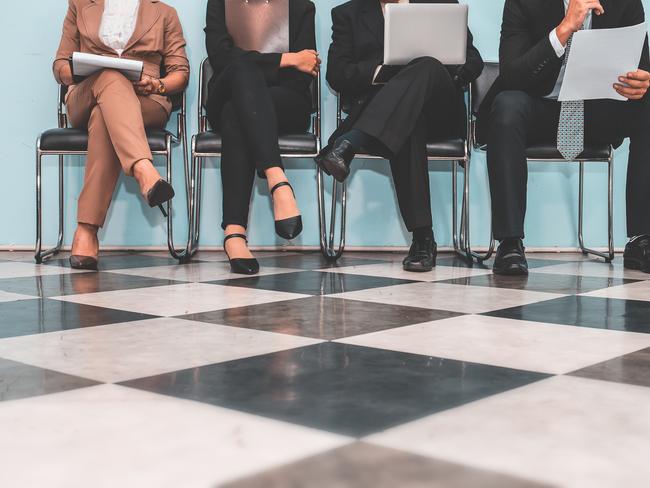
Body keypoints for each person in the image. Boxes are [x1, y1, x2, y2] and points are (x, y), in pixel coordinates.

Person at [478, 0, 650, 275]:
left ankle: (642, 240)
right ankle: (510, 242)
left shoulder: (625, 2)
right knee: (508, 105)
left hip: (596, 110)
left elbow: (641, 65)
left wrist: (641, 81)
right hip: (541, 107)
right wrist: (564, 29)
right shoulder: (523, 2)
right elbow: (512, 76)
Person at [316, 0, 484, 272]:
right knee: (409, 117)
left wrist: (437, 71)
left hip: (441, 108)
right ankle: (423, 239)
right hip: (394, 115)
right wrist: (385, 71)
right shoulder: (347, 13)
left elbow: (473, 60)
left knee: (426, 66)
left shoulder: (440, 6)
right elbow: (337, 73)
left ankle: (351, 142)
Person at [53, 0, 190, 270]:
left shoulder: (165, 13)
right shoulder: (80, 5)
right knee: (110, 76)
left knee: (105, 116)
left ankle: (86, 229)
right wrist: (84, 69)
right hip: (87, 92)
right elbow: (60, 65)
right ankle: (142, 168)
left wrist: (158, 84)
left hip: (145, 98)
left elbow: (180, 73)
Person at [205, 0, 319, 275]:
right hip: (227, 91)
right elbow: (221, 59)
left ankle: (234, 233)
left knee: (238, 110)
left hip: (285, 101)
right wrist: (287, 59)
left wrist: (258, 72)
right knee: (241, 71)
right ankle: (278, 181)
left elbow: (305, 72)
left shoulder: (301, 6)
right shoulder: (220, 2)